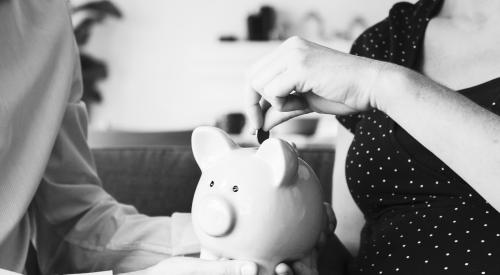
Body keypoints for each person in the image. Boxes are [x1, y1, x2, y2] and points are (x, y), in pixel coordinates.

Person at [246, 0, 500, 274]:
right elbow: (350, 246)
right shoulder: (382, 43)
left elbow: (377, 83)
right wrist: (294, 248)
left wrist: (383, 85)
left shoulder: (373, 73)